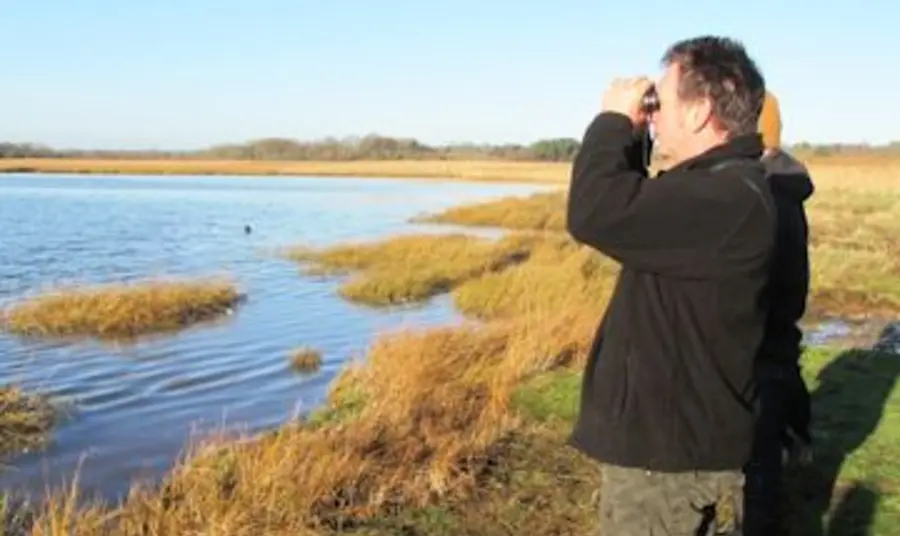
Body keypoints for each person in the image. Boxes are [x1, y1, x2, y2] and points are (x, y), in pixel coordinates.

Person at [565, 35, 776, 535]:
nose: (651, 113)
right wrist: (637, 136)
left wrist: (613, 120)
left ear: (702, 110)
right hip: (673, 446)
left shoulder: (726, 197)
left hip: (670, 460)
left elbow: (596, 212)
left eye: (660, 101)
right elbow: (635, 209)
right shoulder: (723, 187)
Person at [742, 90, 815, 536]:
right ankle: (799, 437)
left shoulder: (760, 192)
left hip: (758, 341)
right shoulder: (786, 188)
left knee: (758, 468)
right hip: (777, 335)